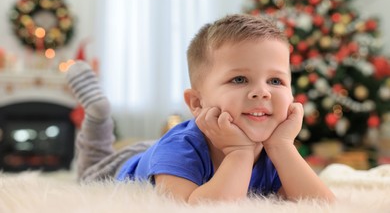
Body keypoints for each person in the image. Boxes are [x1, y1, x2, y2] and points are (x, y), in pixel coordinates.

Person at [66, 14, 335, 204]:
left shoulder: (273, 147)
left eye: (276, 80)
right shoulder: (180, 148)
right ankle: (98, 113)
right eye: (239, 79)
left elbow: (320, 205)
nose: (262, 92)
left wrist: (282, 146)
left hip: (158, 150)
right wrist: (239, 153)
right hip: (131, 163)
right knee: (91, 170)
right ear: (197, 103)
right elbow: (198, 208)